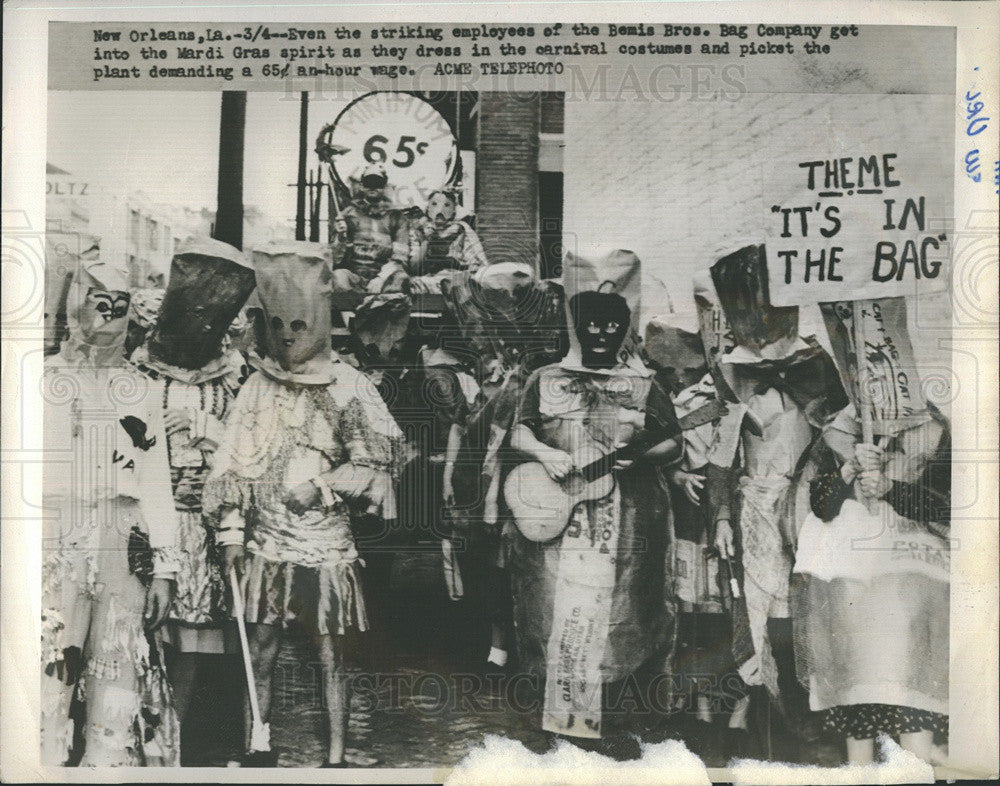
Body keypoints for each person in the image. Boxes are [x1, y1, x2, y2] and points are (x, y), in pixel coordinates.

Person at [202, 242, 403, 768]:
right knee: (260, 650)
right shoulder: (256, 388)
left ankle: (335, 757)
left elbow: (379, 463)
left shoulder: (350, 386)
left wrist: (326, 485)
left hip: (327, 543)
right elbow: (233, 468)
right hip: (267, 541)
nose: (288, 338)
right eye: (278, 327)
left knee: (332, 656)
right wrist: (230, 535)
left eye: (299, 326)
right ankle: (257, 746)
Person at [507, 249, 681, 757]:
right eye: (593, 326)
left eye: (613, 326)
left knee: (624, 614)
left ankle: (617, 725)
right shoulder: (546, 379)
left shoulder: (645, 385)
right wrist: (543, 452)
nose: (602, 335)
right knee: (554, 613)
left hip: (629, 522)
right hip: (557, 520)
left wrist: (644, 459)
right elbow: (520, 432)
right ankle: (558, 725)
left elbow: (675, 441)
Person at [706, 245, 847, 759]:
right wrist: (721, 514)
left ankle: (814, 712)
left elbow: (840, 435)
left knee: (812, 606)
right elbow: (722, 456)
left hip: (811, 506)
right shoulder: (729, 376)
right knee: (762, 610)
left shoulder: (819, 366)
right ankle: (768, 708)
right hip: (756, 509)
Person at [40, 251, 180, 766]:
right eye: (99, 303)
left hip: (120, 537)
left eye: (119, 307)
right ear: (76, 306)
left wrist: (165, 567)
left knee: (116, 665)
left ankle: (108, 766)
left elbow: (156, 481)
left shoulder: (143, 388)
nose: (107, 318)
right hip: (54, 536)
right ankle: (41, 766)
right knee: (50, 664)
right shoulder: (40, 379)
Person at [129, 237, 256, 762]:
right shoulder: (137, 368)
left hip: (203, 521)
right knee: (140, 633)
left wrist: (208, 430)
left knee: (195, 638)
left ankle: (177, 741)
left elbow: (249, 448)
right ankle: (133, 736)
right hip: (145, 520)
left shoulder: (233, 373)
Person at [332, 163, 412, 291]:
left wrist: (381, 278)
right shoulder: (348, 215)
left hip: (385, 278)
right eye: (368, 182)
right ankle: (349, 311)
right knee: (338, 276)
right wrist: (340, 236)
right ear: (362, 186)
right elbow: (335, 259)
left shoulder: (397, 216)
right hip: (356, 277)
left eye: (377, 183)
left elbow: (400, 257)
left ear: (384, 186)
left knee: (401, 278)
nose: (372, 187)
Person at [405, 189, 488, 291]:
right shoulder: (418, 231)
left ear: (454, 210)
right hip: (425, 282)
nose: (440, 210)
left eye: (447, 205)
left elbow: (476, 265)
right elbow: (414, 268)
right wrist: (427, 241)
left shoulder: (462, 230)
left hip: (455, 279)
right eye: (434, 204)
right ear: (428, 209)